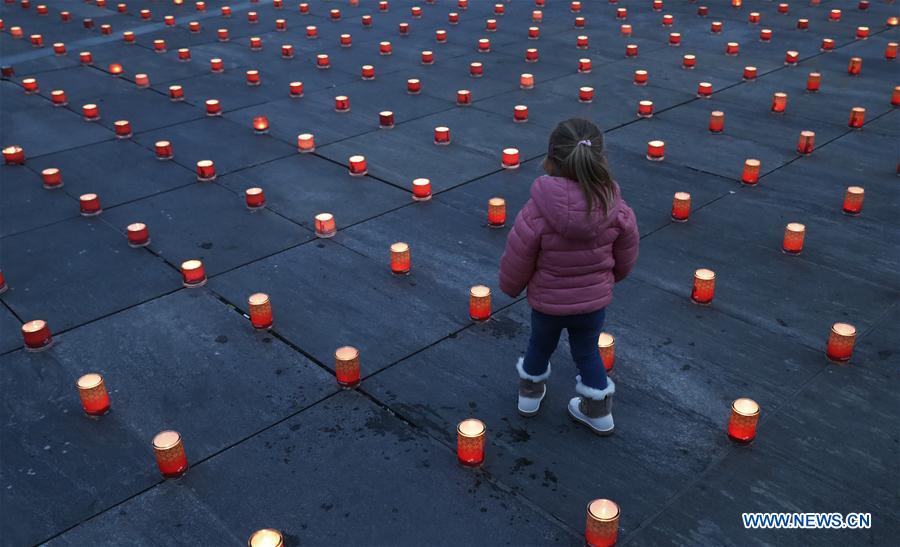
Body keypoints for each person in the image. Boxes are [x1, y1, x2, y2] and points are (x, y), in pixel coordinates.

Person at [498, 118, 639, 435]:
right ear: (600, 159)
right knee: (587, 353)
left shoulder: (536, 211)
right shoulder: (618, 209)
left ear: (551, 158)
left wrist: (510, 287)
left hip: (548, 304)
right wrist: (610, 278)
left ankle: (529, 398)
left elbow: (518, 255)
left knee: (539, 346)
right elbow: (626, 257)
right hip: (592, 305)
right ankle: (599, 412)